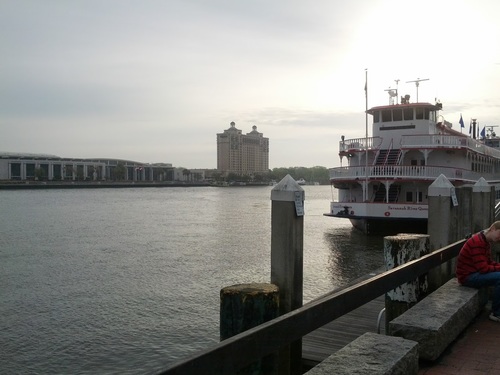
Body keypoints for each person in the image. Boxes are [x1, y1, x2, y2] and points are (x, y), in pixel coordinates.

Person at [456, 221, 500, 322]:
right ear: (493, 228)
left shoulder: (484, 241)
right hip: (467, 277)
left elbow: (488, 262)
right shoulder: (478, 242)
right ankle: (496, 313)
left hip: (474, 272)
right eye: (499, 234)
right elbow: (484, 268)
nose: (499, 238)